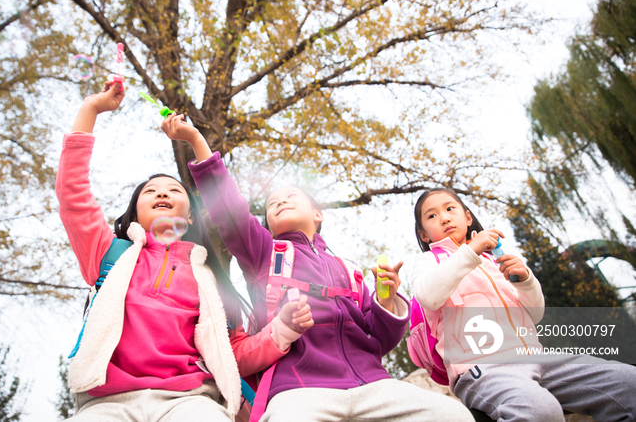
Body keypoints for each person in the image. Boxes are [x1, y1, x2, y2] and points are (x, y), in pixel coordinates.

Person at [162, 112, 474, 422]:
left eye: (291, 196)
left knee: (452, 414)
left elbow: (379, 339)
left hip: (373, 384)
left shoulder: (349, 269)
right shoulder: (264, 254)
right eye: (272, 204)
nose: (280, 201)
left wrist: (387, 300)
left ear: (318, 214)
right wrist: (196, 140)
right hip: (299, 389)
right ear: (267, 223)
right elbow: (228, 207)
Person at [57, 82, 313, 422]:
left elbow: (233, 353)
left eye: (173, 190)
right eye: (150, 191)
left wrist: (282, 329)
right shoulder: (108, 255)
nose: (161, 193)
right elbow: (74, 198)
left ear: (190, 215)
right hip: (106, 403)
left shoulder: (208, 279)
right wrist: (90, 109)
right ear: (135, 213)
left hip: (191, 401)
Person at [412, 187, 636, 422]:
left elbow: (536, 314)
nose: (444, 217)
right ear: (424, 235)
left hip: (537, 357)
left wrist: (526, 281)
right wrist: (471, 250)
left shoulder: (494, 259)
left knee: (628, 383)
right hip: (484, 369)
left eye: (450, 209)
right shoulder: (429, 262)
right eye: (432, 216)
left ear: (467, 217)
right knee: (541, 411)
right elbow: (427, 296)